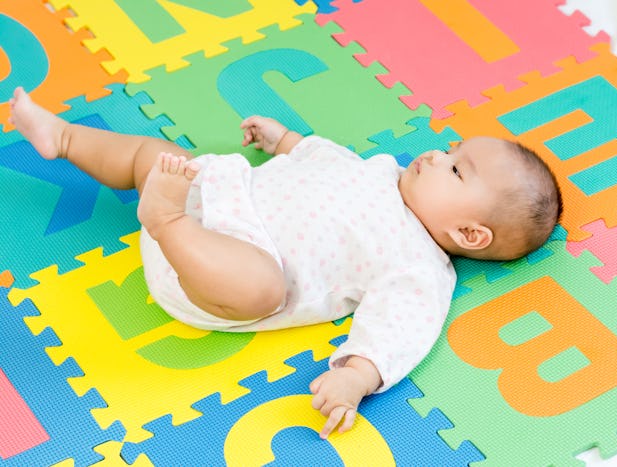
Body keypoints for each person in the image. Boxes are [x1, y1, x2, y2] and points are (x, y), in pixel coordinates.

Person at [8, 86, 562, 439]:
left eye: (457, 170)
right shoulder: (381, 169)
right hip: (211, 195)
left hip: (213, 272)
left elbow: (397, 333)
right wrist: (283, 140)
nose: (438, 154)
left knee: (260, 287)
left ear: (468, 232)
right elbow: (319, 156)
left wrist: (355, 379)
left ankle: (163, 222)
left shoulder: (419, 266)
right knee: (153, 156)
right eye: (452, 148)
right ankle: (64, 137)